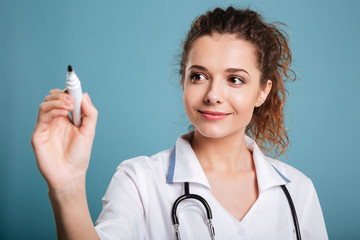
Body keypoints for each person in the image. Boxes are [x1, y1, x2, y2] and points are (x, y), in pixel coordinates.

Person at [31, 6, 328, 240]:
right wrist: (66, 186)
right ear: (183, 80)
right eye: (198, 76)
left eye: (235, 79)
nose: (213, 95)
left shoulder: (298, 191)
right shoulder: (139, 181)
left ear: (263, 91)